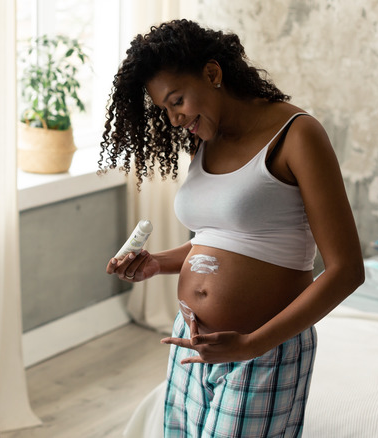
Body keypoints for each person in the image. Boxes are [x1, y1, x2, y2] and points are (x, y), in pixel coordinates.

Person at [101, 20, 364, 437]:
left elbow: (347, 270)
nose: (174, 118)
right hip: (191, 342)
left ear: (212, 73)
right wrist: (156, 263)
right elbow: (218, 243)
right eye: (165, 110)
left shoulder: (296, 135)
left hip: (264, 349)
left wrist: (251, 345)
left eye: (178, 101)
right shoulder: (204, 137)